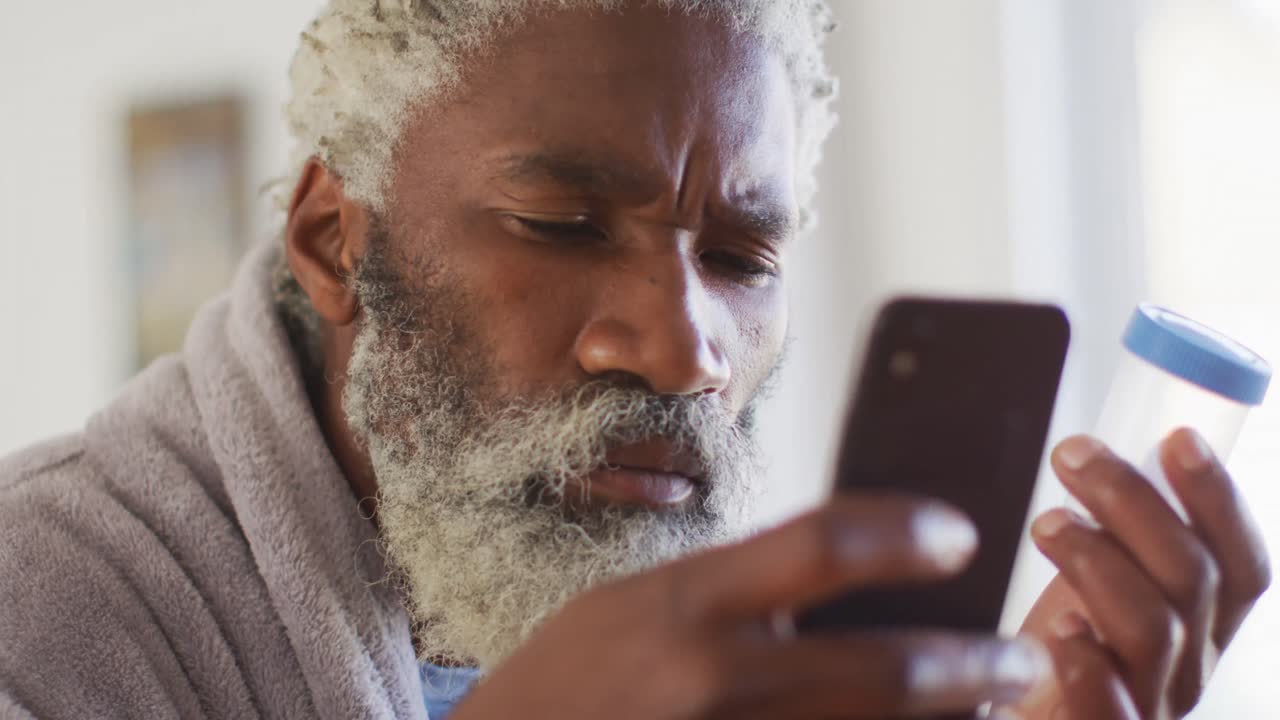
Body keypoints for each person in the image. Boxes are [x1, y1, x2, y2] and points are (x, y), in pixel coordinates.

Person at [0, 2, 1269, 718]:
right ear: (335, 240)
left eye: (739, 258)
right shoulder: (41, 618)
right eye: (560, 225)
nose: (681, 354)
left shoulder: (742, 665)